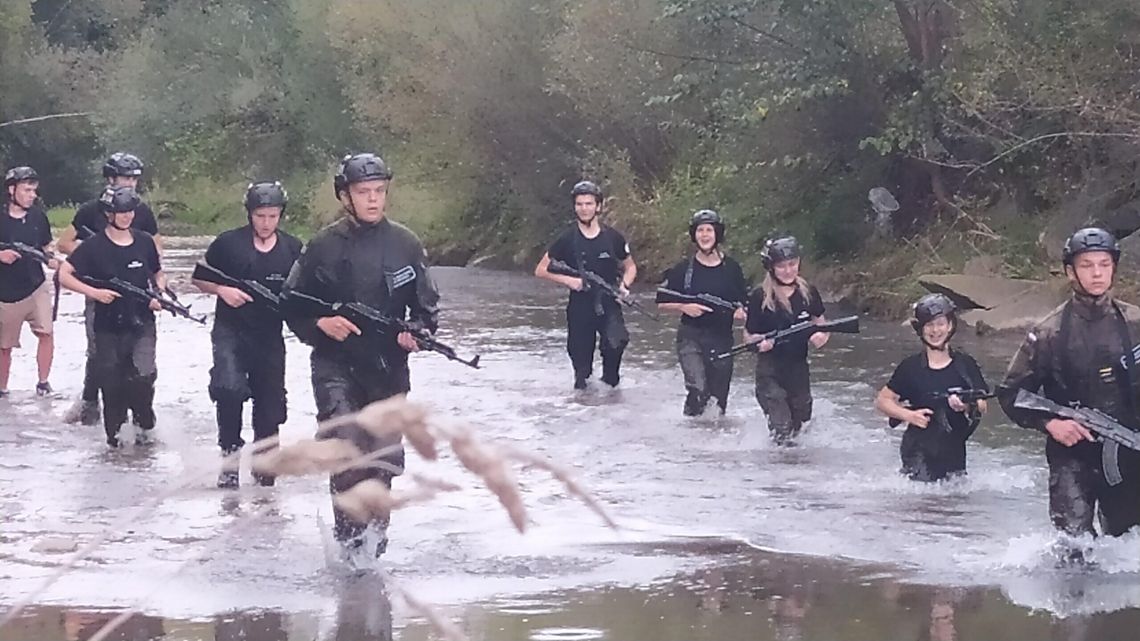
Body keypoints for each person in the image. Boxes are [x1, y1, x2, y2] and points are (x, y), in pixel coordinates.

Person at [282, 153, 439, 558]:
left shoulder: (405, 244)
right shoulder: (322, 246)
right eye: (364, 192)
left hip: (388, 370)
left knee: (383, 460)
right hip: (336, 367)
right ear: (345, 196)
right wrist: (320, 323)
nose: (373, 200)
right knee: (348, 453)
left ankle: (374, 544)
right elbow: (290, 303)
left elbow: (426, 309)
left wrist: (418, 334)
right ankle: (350, 544)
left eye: (379, 192)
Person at [998, 227, 1140, 539]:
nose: (1097, 273)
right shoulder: (1049, 332)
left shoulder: (1134, 323)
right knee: (1074, 549)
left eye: (1104, 264)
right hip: (1071, 457)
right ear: (1070, 271)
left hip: (1128, 452)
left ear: (1114, 267)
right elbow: (1011, 394)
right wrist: (1050, 423)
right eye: (1087, 265)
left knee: (1128, 549)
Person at [192, 181, 302, 488]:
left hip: (270, 337)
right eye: (260, 216)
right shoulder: (228, 244)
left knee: (270, 406)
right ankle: (229, 457)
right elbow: (199, 277)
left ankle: (265, 470)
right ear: (249, 215)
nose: (266, 223)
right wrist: (222, 290)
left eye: (272, 216)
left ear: (281, 215)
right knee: (228, 390)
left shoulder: (293, 249)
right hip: (230, 333)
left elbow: (306, 292)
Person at [58, 186, 166, 447]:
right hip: (107, 326)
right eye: (121, 212)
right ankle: (114, 444)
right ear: (109, 214)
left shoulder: (144, 242)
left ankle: (146, 435)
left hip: (142, 324)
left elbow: (158, 272)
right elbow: (64, 274)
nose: (127, 217)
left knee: (143, 378)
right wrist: (94, 292)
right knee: (112, 384)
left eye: (130, 211)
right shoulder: (93, 246)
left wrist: (158, 292)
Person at [534, 180, 638, 389]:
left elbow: (631, 267)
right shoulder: (567, 238)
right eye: (580, 204)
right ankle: (583, 409)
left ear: (598, 206)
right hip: (580, 306)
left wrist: (624, 286)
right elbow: (540, 270)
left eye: (589, 204)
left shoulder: (613, 237)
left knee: (616, 346)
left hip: (609, 303)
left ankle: (611, 404)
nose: (584, 209)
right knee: (582, 372)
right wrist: (569, 281)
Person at [875, 294, 989, 481]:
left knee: (953, 504)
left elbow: (982, 403)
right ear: (921, 329)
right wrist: (909, 415)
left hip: (954, 451)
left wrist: (965, 406)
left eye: (940, 323)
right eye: (929, 325)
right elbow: (882, 401)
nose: (935, 330)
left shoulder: (965, 364)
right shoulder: (910, 367)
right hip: (917, 450)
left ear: (950, 325)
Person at [656, 209, 748, 415]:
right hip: (690, 337)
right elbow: (661, 302)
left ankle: (711, 443)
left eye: (709, 230)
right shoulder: (683, 269)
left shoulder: (732, 268)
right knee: (698, 390)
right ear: (694, 235)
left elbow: (745, 302)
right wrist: (683, 307)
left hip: (722, 338)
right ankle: (690, 437)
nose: (705, 235)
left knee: (717, 402)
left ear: (717, 234)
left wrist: (741, 312)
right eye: (700, 230)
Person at [744, 235, 829, 445]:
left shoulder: (808, 292)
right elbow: (748, 335)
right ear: (771, 267)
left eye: (792, 264)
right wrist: (759, 344)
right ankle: (778, 472)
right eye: (782, 266)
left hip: (799, 368)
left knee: (801, 426)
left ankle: (798, 472)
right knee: (782, 430)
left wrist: (822, 336)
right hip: (769, 371)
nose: (788, 270)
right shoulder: (759, 296)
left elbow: (822, 323)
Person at [0, 166, 56, 397]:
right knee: (4, 346)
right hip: (5, 292)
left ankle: (43, 383)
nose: (32, 195)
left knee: (46, 333)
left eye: (34, 190)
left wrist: (51, 258)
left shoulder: (38, 217)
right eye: (27, 190)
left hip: (36, 285)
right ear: (12, 190)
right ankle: (2, 389)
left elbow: (46, 245)